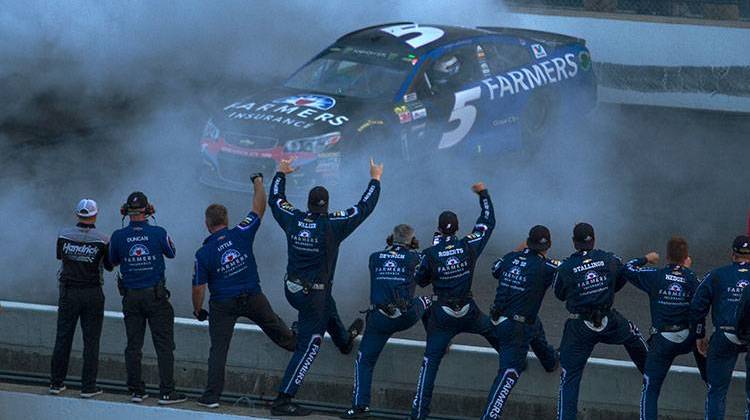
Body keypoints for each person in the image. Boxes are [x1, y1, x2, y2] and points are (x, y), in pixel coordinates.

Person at [269, 157, 382, 416]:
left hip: (292, 288)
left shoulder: (293, 218)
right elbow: (364, 207)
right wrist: (375, 179)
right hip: (313, 295)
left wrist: (281, 173)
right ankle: (283, 398)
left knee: (326, 302)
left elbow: (276, 199)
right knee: (311, 344)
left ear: (308, 203)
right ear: (326, 205)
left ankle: (343, 341)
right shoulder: (333, 225)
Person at [192, 173, 297, 409]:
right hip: (252, 297)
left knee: (218, 351)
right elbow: (259, 208)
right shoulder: (241, 232)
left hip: (222, 304)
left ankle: (211, 397)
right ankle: (300, 347)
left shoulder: (203, 253)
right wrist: (258, 181)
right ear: (226, 220)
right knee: (277, 328)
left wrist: (198, 310)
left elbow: (198, 288)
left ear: (207, 224)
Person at [409, 182, 497, 420]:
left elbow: (421, 280)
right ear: (458, 229)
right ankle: (514, 362)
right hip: (469, 310)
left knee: (430, 364)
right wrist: (484, 195)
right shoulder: (468, 245)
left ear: (439, 229)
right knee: (498, 333)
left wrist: (434, 252)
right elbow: (488, 223)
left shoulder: (430, 253)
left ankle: (418, 415)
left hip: (443, 315)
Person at [553, 222, 648, 420]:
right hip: (608, 319)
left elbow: (559, 294)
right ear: (594, 240)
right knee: (633, 335)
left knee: (569, 376)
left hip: (579, 326)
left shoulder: (566, 266)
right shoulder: (610, 259)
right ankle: (650, 372)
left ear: (574, 242)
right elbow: (621, 278)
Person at [342, 224, 432, 419]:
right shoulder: (416, 258)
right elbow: (426, 275)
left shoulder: (374, 258)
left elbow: (386, 259)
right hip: (405, 316)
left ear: (391, 238)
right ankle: (435, 338)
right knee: (429, 301)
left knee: (364, 361)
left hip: (379, 319)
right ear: (412, 241)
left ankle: (359, 407)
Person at [109, 192, 186, 405]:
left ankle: (136, 391)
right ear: (148, 210)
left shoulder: (118, 236)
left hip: (131, 297)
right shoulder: (158, 232)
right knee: (164, 345)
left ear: (125, 211)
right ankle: (167, 392)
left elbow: (112, 261)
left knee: (133, 345)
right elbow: (171, 252)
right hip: (155, 296)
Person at [481, 225, 560, 419]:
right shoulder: (547, 267)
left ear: (527, 242)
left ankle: (550, 360)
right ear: (547, 246)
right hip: (516, 328)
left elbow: (495, 269)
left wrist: (520, 250)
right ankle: (489, 416)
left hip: (499, 321)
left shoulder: (508, 258)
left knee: (534, 323)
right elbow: (569, 269)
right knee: (509, 372)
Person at [623, 236, 706, 420]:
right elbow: (703, 306)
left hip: (662, 341)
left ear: (667, 257)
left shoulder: (655, 275)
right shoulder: (693, 279)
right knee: (702, 346)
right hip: (688, 338)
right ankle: (709, 377)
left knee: (650, 389)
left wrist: (646, 258)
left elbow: (627, 268)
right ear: (687, 258)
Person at [49, 199, 113, 398]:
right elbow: (110, 266)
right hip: (92, 292)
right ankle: (88, 387)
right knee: (91, 341)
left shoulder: (63, 235)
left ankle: (56, 383)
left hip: (68, 292)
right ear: (95, 215)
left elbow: (60, 257)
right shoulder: (103, 239)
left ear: (77, 214)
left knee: (63, 338)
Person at [692, 235, 750, 419]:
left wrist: (700, 334)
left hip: (724, 335)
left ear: (733, 255)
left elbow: (697, 305)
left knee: (716, 391)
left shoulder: (717, 274)